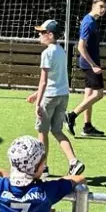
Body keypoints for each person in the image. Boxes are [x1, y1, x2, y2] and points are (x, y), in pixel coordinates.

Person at [26, 20, 84, 176]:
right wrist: (36, 95)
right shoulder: (61, 51)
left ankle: (42, 167)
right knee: (57, 131)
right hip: (63, 96)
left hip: (50, 97)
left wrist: (38, 103)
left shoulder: (47, 53)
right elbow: (56, 78)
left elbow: (44, 81)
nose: (39, 35)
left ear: (50, 35)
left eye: (42, 32)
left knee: (42, 132)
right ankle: (74, 162)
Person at [67, 0, 106, 137]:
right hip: (90, 65)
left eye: (105, 7)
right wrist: (93, 65)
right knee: (99, 94)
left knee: (89, 95)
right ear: (93, 5)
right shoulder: (88, 22)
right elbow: (81, 46)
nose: (103, 10)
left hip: (91, 63)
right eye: (101, 6)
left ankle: (87, 127)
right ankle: (71, 116)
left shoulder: (93, 21)